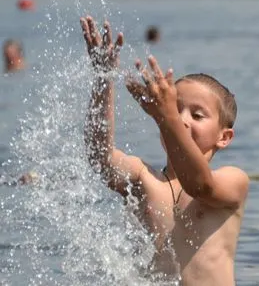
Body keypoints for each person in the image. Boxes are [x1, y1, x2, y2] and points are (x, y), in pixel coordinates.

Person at [80, 15, 249, 285]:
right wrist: (103, 80)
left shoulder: (233, 181)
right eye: (175, 108)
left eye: (197, 115)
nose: (182, 119)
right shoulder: (143, 179)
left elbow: (200, 186)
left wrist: (165, 116)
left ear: (224, 137)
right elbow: (99, 156)